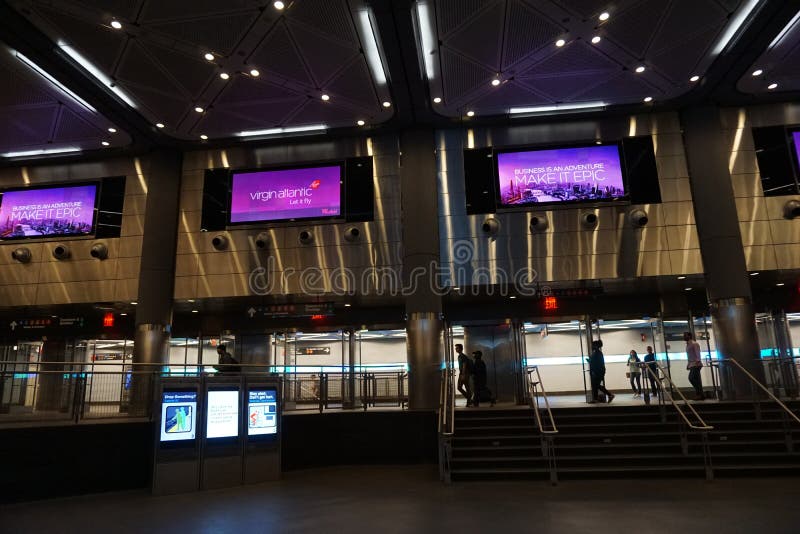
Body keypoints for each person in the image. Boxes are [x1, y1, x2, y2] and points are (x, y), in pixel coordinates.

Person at [685, 332, 704, 400]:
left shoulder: (694, 344)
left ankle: (699, 394)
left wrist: (697, 362)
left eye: (685, 335)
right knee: (697, 380)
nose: (684, 336)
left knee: (691, 378)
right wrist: (688, 364)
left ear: (689, 336)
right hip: (692, 364)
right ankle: (701, 395)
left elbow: (697, 354)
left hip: (696, 364)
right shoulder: (688, 345)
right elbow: (690, 356)